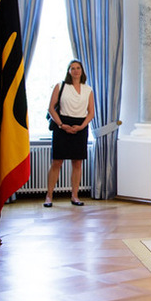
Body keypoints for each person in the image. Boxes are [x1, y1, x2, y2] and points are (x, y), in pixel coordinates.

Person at [44, 60, 95, 207]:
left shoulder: (88, 89)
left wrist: (81, 127)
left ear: (82, 71)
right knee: (56, 162)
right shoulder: (60, 86)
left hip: (81, 127)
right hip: (62, 125)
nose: (76, 71)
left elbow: (91, 113)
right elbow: (51, 109)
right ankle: (49, 196)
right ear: (68, 71)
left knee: (77, 163)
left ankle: (75, 196)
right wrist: (61, 124)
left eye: (78, 68)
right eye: (72, 68)